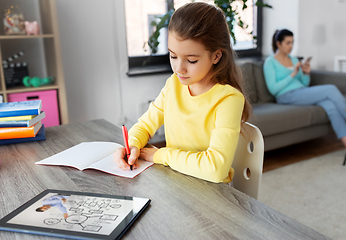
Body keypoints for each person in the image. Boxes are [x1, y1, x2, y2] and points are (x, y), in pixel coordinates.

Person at [114, 2, 251, 183]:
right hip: (176, 183)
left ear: (216, 56)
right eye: (173, 56)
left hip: (213, 195)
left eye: (191, 60)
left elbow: (215, 169)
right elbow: (145, 125)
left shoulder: (228, 99)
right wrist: (132, 145)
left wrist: (161, 155)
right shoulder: (173, 86)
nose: (179, 69)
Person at [263, 29, 346, 149]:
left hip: (301, 92)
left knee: (330, 105)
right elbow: (273, 89)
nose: (291, 46)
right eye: (287, 43)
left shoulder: (294, 60)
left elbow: (304, 84)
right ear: (278, 44)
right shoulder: (270, 62)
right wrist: (293, 73)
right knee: (330, 89)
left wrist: (306, 74)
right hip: (285, 96)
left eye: (292, 42)